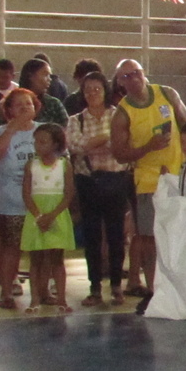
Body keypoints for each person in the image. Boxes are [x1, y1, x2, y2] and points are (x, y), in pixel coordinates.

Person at [110, 59, 186, 314]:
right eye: (126, 76)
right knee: (150, 237)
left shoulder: (167, 94)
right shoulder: (122, 114)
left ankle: (180, 286)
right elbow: (119, 154)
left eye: (136, 73)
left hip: (178, 175)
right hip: (147, 182)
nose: (133, 78)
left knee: (178, 234)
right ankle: (155, 289)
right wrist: (148, 147)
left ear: (144, 73)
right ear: (120, 82)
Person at [66, 70, 131, 306]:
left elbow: (122, 145)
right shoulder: (76, 120)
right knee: (91, 236)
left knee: (116, 235)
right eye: (88, 90)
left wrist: (95, 143)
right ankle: (94, 287)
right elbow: (76, 146)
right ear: (82, 93)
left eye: (97, 89)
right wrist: (105, 138)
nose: (92, 93)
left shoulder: (118, 115)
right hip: (88, 181)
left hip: (116, 180)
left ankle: (116, 285)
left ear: (105, 90)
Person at [21, 122, 75, 314]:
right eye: (36, 141)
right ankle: (35, 299)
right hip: (36, 215)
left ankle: (61, 299)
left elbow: (68, 194)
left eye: (43, 142)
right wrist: (38, 216)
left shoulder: (64, 165)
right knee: (35, 259)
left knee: (57, 259)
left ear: (55, 144)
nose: (37, 145)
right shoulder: (31, 165)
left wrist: (52, 215)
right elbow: (26, 194)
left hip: (56, 215)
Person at [0, 89, 39, 309]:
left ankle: (42, 291)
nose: (25, 108)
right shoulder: (2, 131)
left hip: (41, 202)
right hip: (11, 201)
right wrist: (12, 129)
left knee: (41, 250)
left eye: (28, 103)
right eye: (19, 104)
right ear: (9, 110)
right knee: (11, 248)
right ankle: (6, 292)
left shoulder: (44, 130)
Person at [19, 58, 68, 127]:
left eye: (49, 75)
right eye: (45, 75)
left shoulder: (53, 104)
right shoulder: (12, 102)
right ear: (30, 76)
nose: (49, 79)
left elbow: (67, 128)